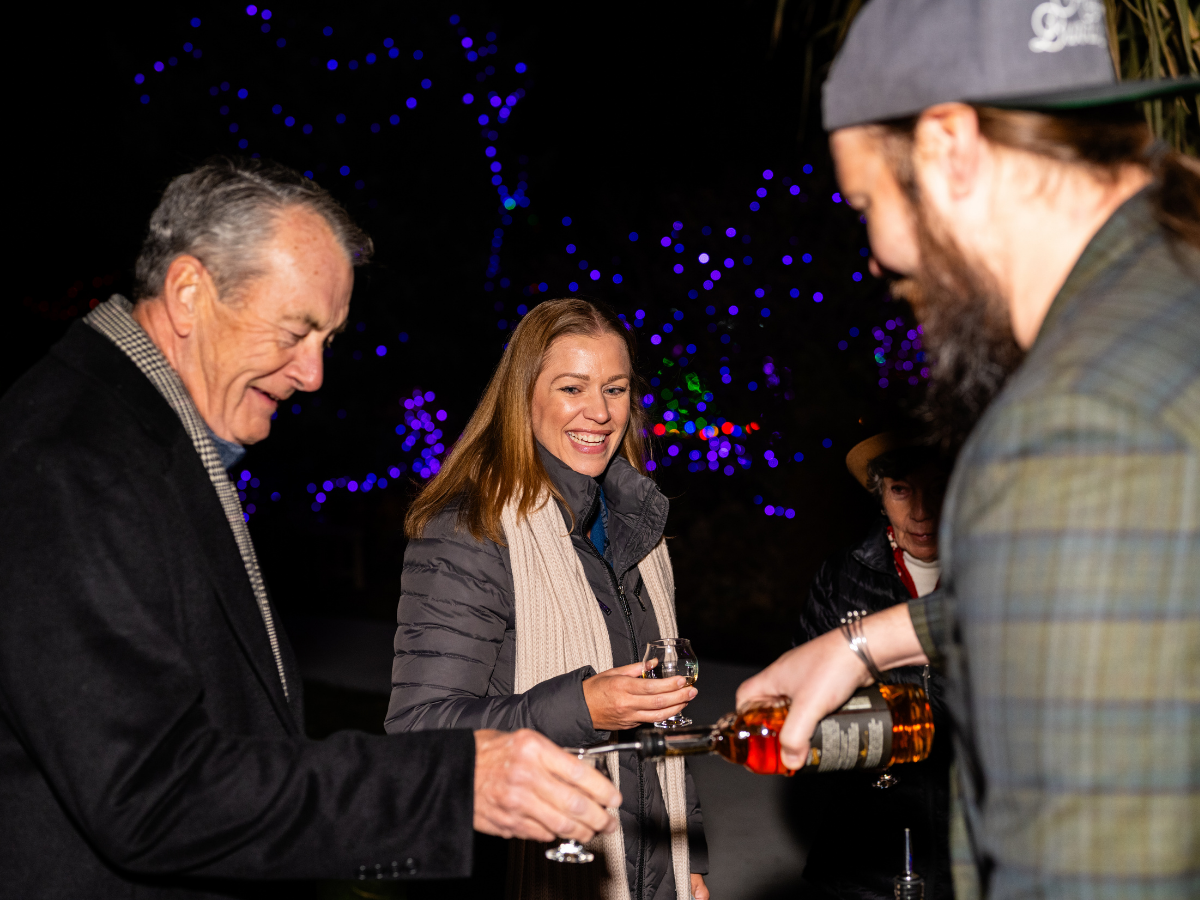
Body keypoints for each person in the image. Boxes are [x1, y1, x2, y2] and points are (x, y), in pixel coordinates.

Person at [0, 158, 621, 900]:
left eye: (325, 339)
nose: (313, 373)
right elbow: (149, 790)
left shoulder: (144, 440)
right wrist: (453, 782)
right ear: (191, 293)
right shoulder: (70, 461)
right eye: (297, 331)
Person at [738, 2, 1200, 898]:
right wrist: (874, 640)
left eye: (867, 201)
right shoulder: (1169, 301)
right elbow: (1132, 589)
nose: (876, 254)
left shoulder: (1074, 424)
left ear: (950, 145)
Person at [386, 298, 710, 900]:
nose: (599, 412)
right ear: (523, 398)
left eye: (615, 389)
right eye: (572, 387)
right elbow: (419, 732)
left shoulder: (636, 523)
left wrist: (688, 862)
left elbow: (662, 723)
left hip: (644, 872)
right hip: (526, 871)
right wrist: (582, 709)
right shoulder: (471, 526)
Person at [795, 434, 951, 900]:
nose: (920, 512)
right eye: (901, 490)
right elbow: (803, 702)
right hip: (865, 840)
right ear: (880, 496)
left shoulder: (999, 575)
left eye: (937, 488)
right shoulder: (842, 575)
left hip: (969, 835)